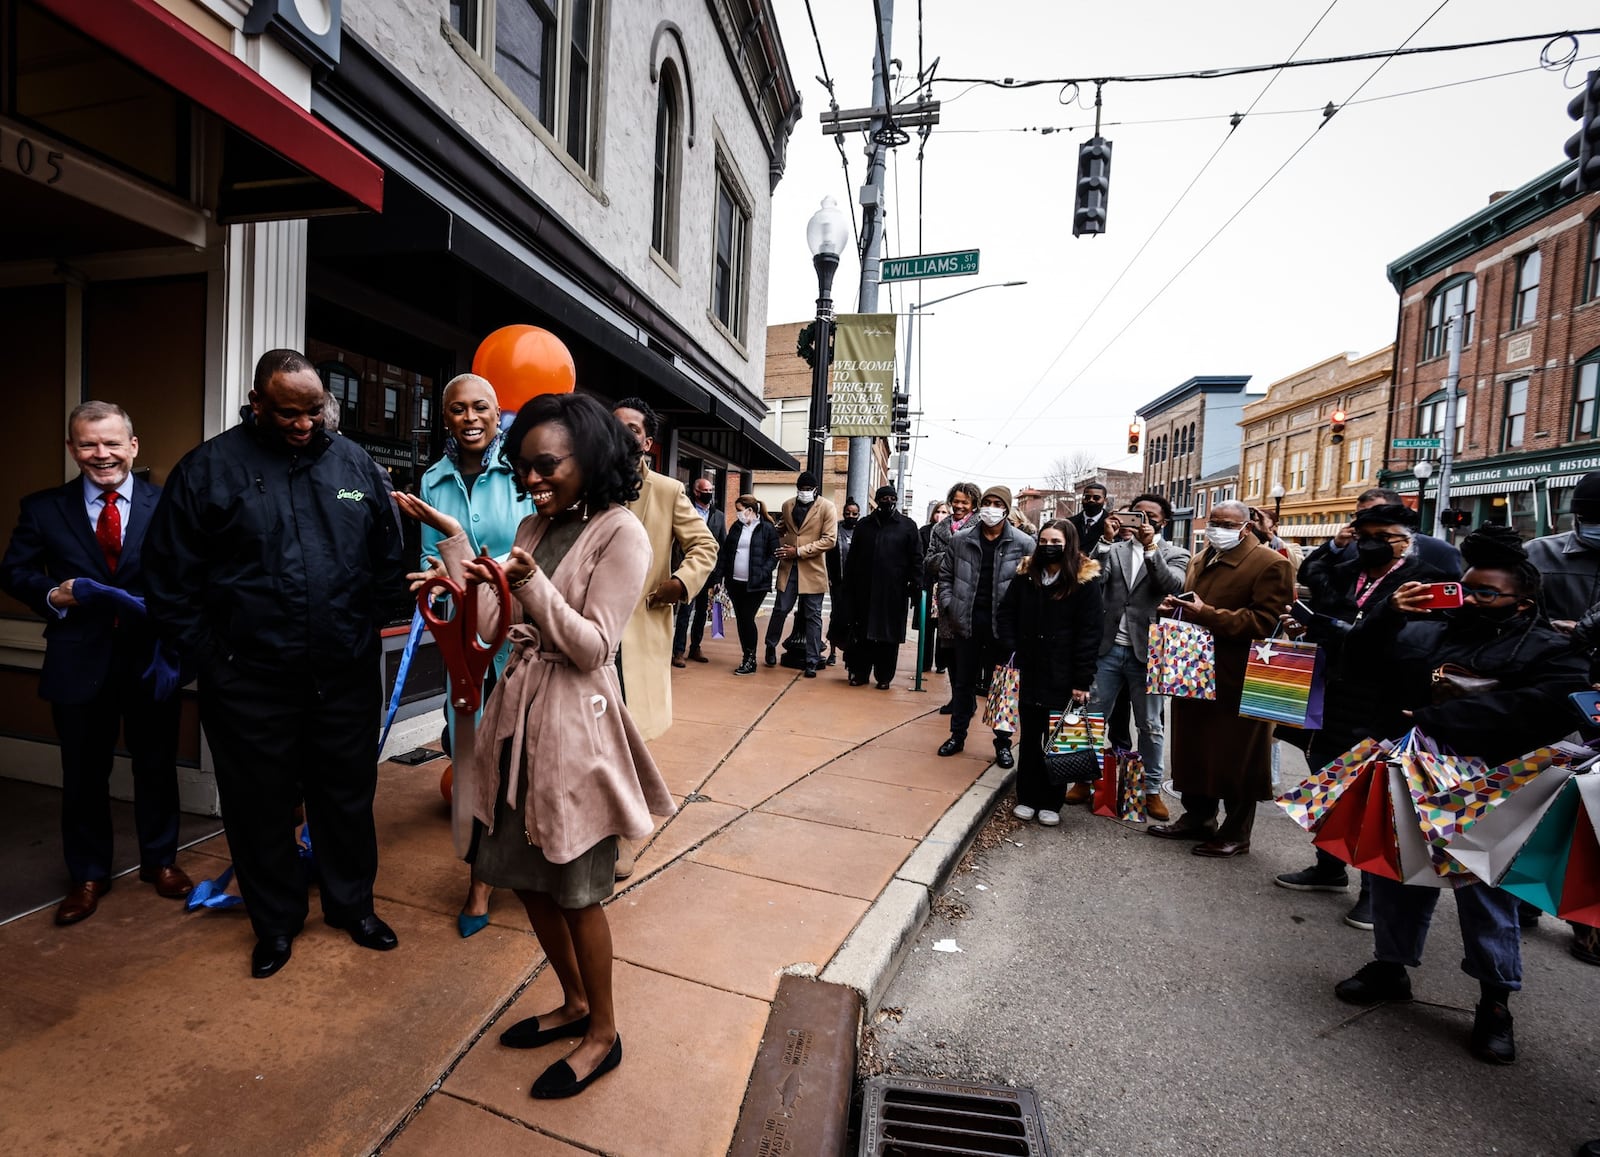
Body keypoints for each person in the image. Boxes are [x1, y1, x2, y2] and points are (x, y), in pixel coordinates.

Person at [397, 391, 675, 1099]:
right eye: (524, 467)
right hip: (516, 723)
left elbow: (592, 647)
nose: (531, 480)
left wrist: (535, 583)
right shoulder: (530, 523)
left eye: (545, 465)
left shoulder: (621, 532)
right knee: (524, 873)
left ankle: (604, 1033)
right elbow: (494, 621)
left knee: (578, 892)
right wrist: (460, 554)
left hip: (576, 735)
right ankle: (574, 1001)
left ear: (591, 457)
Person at [144, 350, 404, 979]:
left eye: (315, 410)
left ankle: (352, 907)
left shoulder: (354, 465)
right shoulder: (208, 470)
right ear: (257, 403)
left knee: (345, 798)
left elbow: (387, 560)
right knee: (258, 807)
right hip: (248, 682)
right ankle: (276, 923)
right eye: (289, 412)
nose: (304, 424)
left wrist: (368, 630)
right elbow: (168, 581)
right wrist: (215, 658)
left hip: (341, 678)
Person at [1331, 525, 1588, 1065]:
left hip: (1495, 784)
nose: (1472, 600)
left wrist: (1439, 714)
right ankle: (1390, 965)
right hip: (1416, 769)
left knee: (1486, 895)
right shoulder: (1432, 629)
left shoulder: (1553, 647)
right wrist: (1388, 611)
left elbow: (1546, 706)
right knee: (1397, 870)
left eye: (1487, 593)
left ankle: (1495, 1001)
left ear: (1523, 600)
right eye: (1466, 588)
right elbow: (1360, 661)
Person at [0, 402, 191, 925]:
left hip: (151, 660)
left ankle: (161, 861)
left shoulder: (168, 504)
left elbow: (191, 573)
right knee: (83, 773)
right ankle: (87, 874)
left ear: (133, 446)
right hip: (78, 660)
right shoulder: (42, 508)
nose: (101, 454)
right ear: (72, 449)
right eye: (88, 444)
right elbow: (13, 571)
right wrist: (51, 595)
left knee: (156, 765)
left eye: (111, 443)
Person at [1273, 504, 1455, 927]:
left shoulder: (1425, 579)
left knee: (1376, 795)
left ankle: (1375, 890)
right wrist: (1308, 625)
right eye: (1363, 533)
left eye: (1382, 534)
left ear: (1408, 538)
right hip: (1331, 690)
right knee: (1324, 779)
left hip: (1383, 699)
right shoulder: (1347, 569)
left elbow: (1422, 643)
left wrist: (1350, 631)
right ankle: (1329, 865)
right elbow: (1313, 582)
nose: (1370, 542)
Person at [417, 373, 523, 939]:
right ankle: (481, 878)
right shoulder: (432, 480)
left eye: (480, 406)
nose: (469, 417)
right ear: (446, 418)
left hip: (521, 640)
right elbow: (431, 562)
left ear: (497, 412)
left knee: (521, 759)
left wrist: (488, 569)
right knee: (470, 756)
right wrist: (437, 579)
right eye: (457, 409)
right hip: (463, 644)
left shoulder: (525, 472)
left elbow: (535, 547)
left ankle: (518, 870)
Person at [1147, 499, 1295, 857]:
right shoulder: (1202, 558)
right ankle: (1198, 817)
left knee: (1239, 755)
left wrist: (1206, 613)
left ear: (1245, 527)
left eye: (1227, 523)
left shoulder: (1271, 563)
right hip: (1195, 667)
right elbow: (1192, 602)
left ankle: (1237, 832)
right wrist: (1173, 609)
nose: (1218, 528)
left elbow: (1264, 622)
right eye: (1214, 521)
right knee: (1194, 747)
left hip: (1241, 673)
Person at [1520, 468, 1600, 966]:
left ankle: (1585, 920)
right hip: (1547, 695)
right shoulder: (1539, 554)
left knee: (1593, 811)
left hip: (1595, 698)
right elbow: (1513, 618)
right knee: (1536, 796)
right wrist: (1559, 633)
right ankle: (1522, 890)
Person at [611, 398, 718, 742]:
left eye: (632, 429)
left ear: (646, 442)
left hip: (641, 624)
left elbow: (705, 546)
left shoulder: (668, 491)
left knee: (631, 730)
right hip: (589, 628)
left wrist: (680, 582)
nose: (621, 435)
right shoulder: (584, 484)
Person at [1081, 493, 1190, 821]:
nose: (1142, 520)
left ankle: (1151, 790)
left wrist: (1151, 549)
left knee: (1150, 724)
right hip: (1109, 647)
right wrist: (1104, 540)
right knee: (1091, 714)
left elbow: (1172, 584)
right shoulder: (1113, 549)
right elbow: (1089, 578)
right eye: (1136, 514)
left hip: (1149, 651)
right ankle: (1081, 778)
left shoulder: (1177, 553)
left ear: (1163, 522)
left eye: (1150, 516)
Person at [995, 521, 1104, 825]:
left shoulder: (1084, 582)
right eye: (1043, 540)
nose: (1047, 545)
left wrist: (1082, 679)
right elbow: (1006, 613)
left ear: (1068, 543)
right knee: (1030, 737)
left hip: (1063, 671)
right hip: (1028, 668)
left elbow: (1090, 632)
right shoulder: (1026, 575)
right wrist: (1010, 647)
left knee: (1057, 737)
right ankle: (1027, 796)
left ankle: (1051, 801)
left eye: (1055, 540)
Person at [937, 485, 1031, 764]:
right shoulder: (961, 540)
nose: (991, 508)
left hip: (1004, 630)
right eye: (987, 502)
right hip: (967, 624)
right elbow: (945, 576)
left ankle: (1002, 743)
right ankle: (957, 735)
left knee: (1002, 687)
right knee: (963, 683)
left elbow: (1032, 585)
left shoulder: (1024, 544)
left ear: (1006, 508)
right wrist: (949, 604)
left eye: (997, 503)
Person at [1299, 487, 1460, 608]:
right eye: (1358, 514)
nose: (1365, 519)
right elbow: (1307, 577)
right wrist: (1336, 545)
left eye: (1382, 536)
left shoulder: (1438, 553)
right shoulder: (1348, 551)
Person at [837, 486, 924, 689]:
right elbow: (852, 559)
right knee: (862, 633)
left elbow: (916, 558)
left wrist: (916, 585)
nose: (888, 501)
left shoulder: (907, 526)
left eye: (892, 498)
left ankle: (884, 676)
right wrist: (847, 587)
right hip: (864, 589)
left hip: (893, 591)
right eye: (883, 498)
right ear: (876, 501)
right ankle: (860, 673)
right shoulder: (864, 526)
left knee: (888, 636)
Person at [764, 471, 838, 678]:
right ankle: (770, 646)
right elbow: (783, 528)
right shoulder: (788, 505)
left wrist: (798, 551)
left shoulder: (827, 507)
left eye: (808, 489)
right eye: (801, 489)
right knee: (780, 609)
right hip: (788, 568)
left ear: (815, 490)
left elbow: (829, 539)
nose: (804, 493)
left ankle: (812, 660)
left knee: (813, 616)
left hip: (813, 569)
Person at [712, 495, 779, 675]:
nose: (738, 514)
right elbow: (725, 554)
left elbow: (774, 555)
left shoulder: (767, 529)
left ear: (751, 510)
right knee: (742, 620)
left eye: (740, 510)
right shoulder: (736, 527)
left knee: (748, 618)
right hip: (735, 583)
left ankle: (750, 658)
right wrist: (718, 578)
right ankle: (747, 655)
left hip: (756, 585)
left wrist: (763, 572)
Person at [926, 482, 981, 703]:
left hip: (972, 597)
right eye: (956, 501)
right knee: (949, 650)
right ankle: (956, 698)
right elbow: (929, 560)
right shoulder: (939, 528)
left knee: (969, 651)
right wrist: (952, 557)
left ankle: (966, 698)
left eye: (964, 502)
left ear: (974, 504)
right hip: (947, 597)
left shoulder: (981, 526)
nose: (959, 506)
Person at [672, 477, 726, 667]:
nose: (709, 492)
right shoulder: (686, 511)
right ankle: (678, 651)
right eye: (706, 489)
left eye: (711, 489)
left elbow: (722, 547)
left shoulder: (718, 516)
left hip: (709, 573)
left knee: (702, 612)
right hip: (688, 570)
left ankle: (696, 646)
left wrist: (718, 576)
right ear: (696, 492)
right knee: (685, 611)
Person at [824, 499, 861, 667]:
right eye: (847, 513)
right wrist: (831, 577)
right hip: (839, 582)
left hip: (856, 583)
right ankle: (832, 652)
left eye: (854, 514)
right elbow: (830, 555)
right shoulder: (836, 529)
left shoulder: (862, 530)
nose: (851, 516)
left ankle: (851, 651)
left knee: (855, 619)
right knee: (836, 616)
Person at [918, 502, 950, 673]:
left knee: (943, 626)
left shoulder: (953, 532)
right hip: (928, 585)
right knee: (927, 627)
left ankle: (941, 663)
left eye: (944, 511)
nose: (940, 514)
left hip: (944, 584)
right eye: (938, 511)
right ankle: (924, 662)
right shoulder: (924, 531)